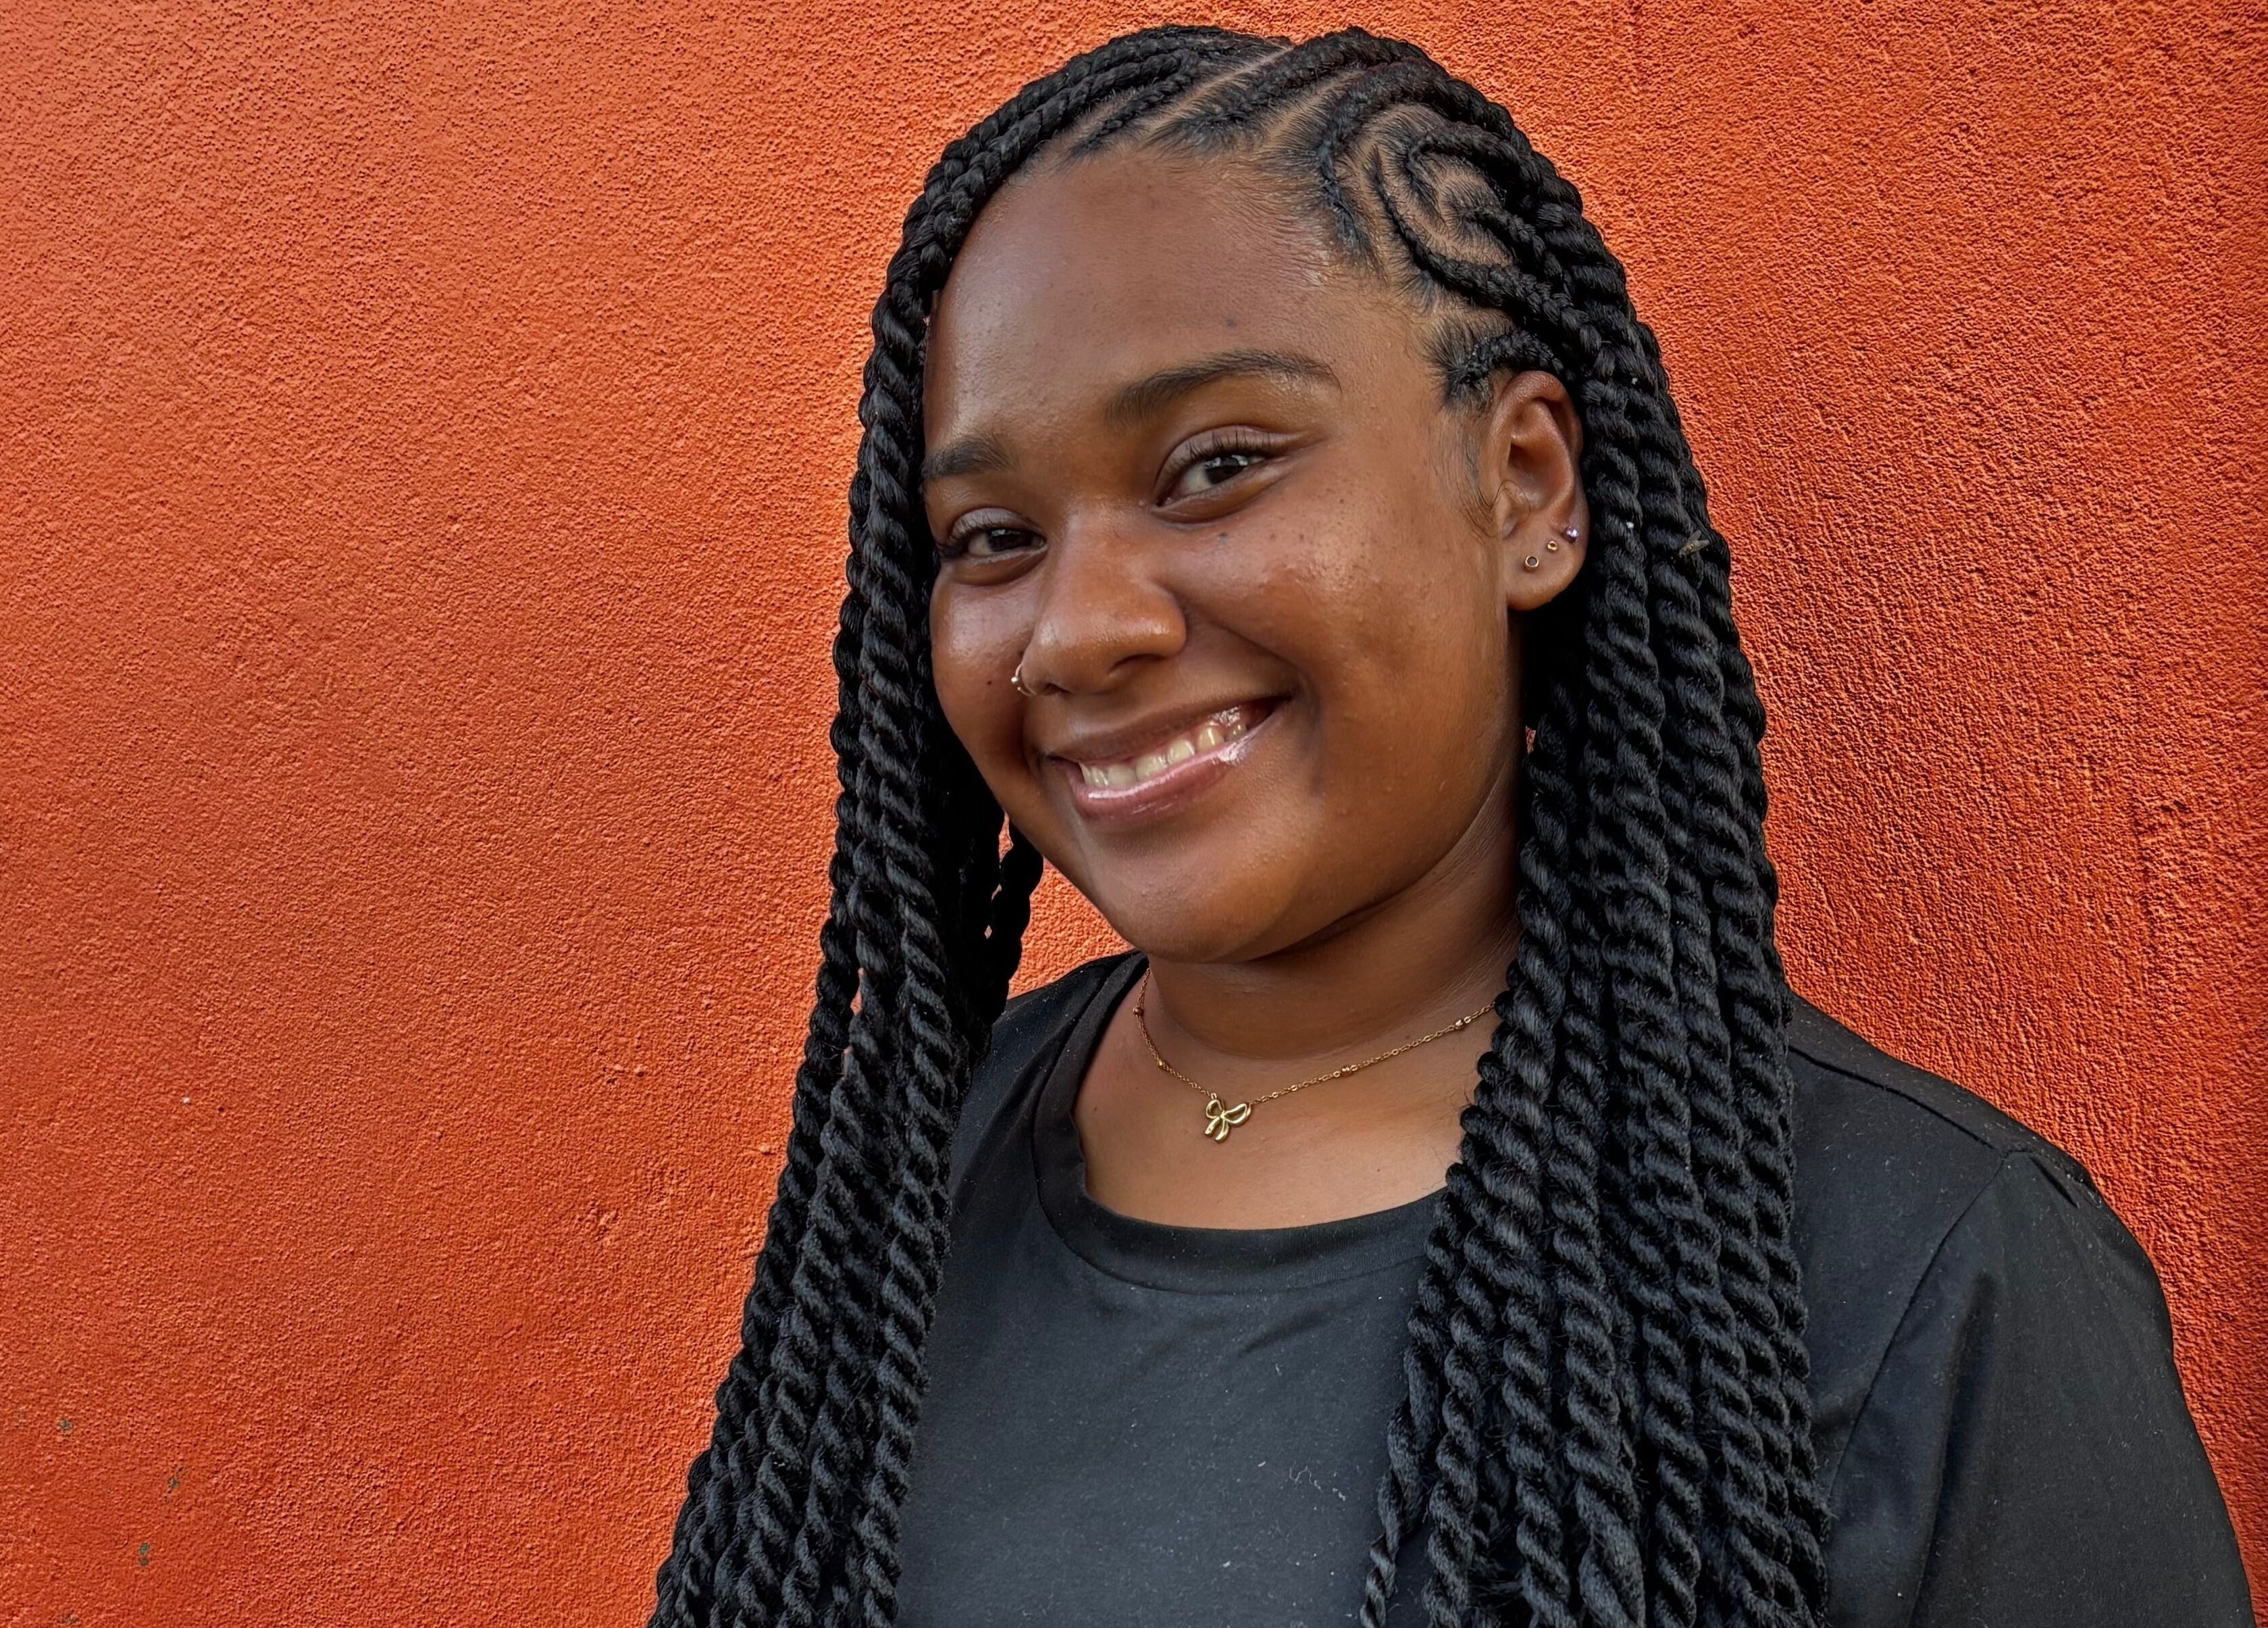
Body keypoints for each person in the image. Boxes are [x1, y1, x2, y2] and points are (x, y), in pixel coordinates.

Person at [648, 25, 2251, 1628]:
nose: (1075, 628)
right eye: (989, 535)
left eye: (1213, 466)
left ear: (1529, 486)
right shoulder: (899, 1202)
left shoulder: (1915, 1275)